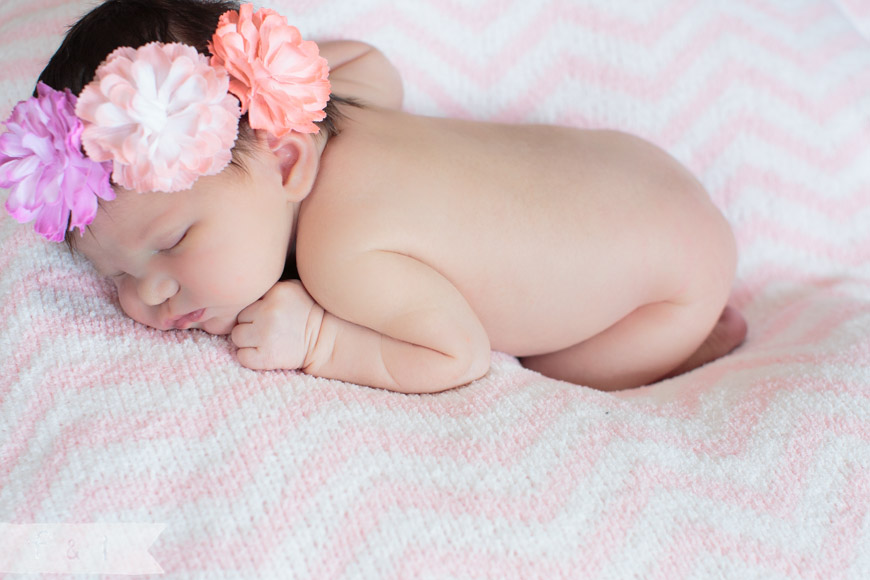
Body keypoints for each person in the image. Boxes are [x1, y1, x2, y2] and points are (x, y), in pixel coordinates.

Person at [0, 0, 747, 394]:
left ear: (287, 160)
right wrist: (271, 85)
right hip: (634, 171)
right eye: (116, 276)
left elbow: (455, 356)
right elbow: (372, 64)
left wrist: (321, 341)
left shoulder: (341, 252)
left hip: (664, 291)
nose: (148, 295)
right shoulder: (332, 111)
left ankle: (694, 341)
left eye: (171, 243)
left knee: (558, 366)